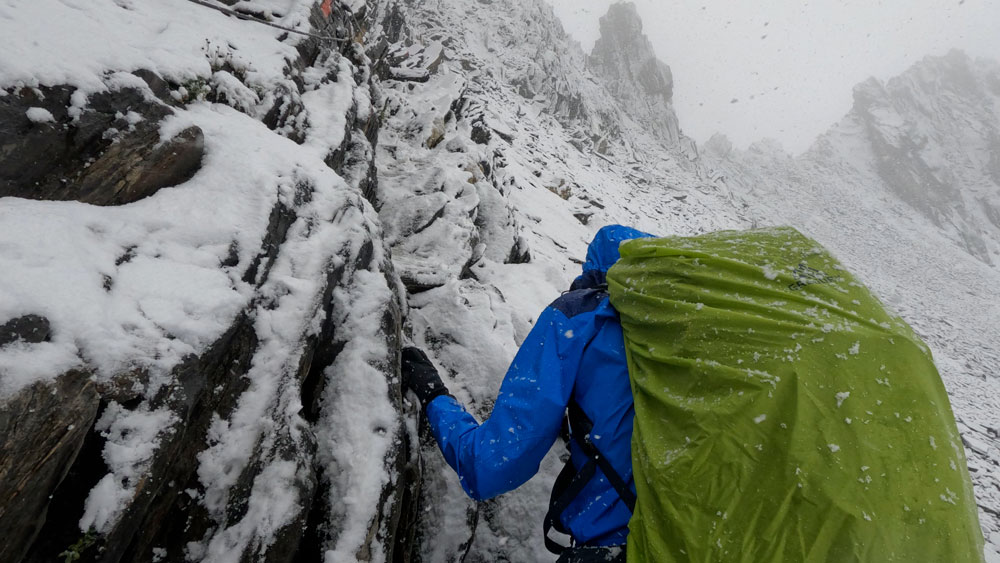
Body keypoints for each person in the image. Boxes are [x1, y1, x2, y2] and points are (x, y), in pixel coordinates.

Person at [401, 225, 652, 563]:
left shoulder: (583, 317)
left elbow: (491, 464)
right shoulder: (690, 338)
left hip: (614, 549)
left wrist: (434, 396)